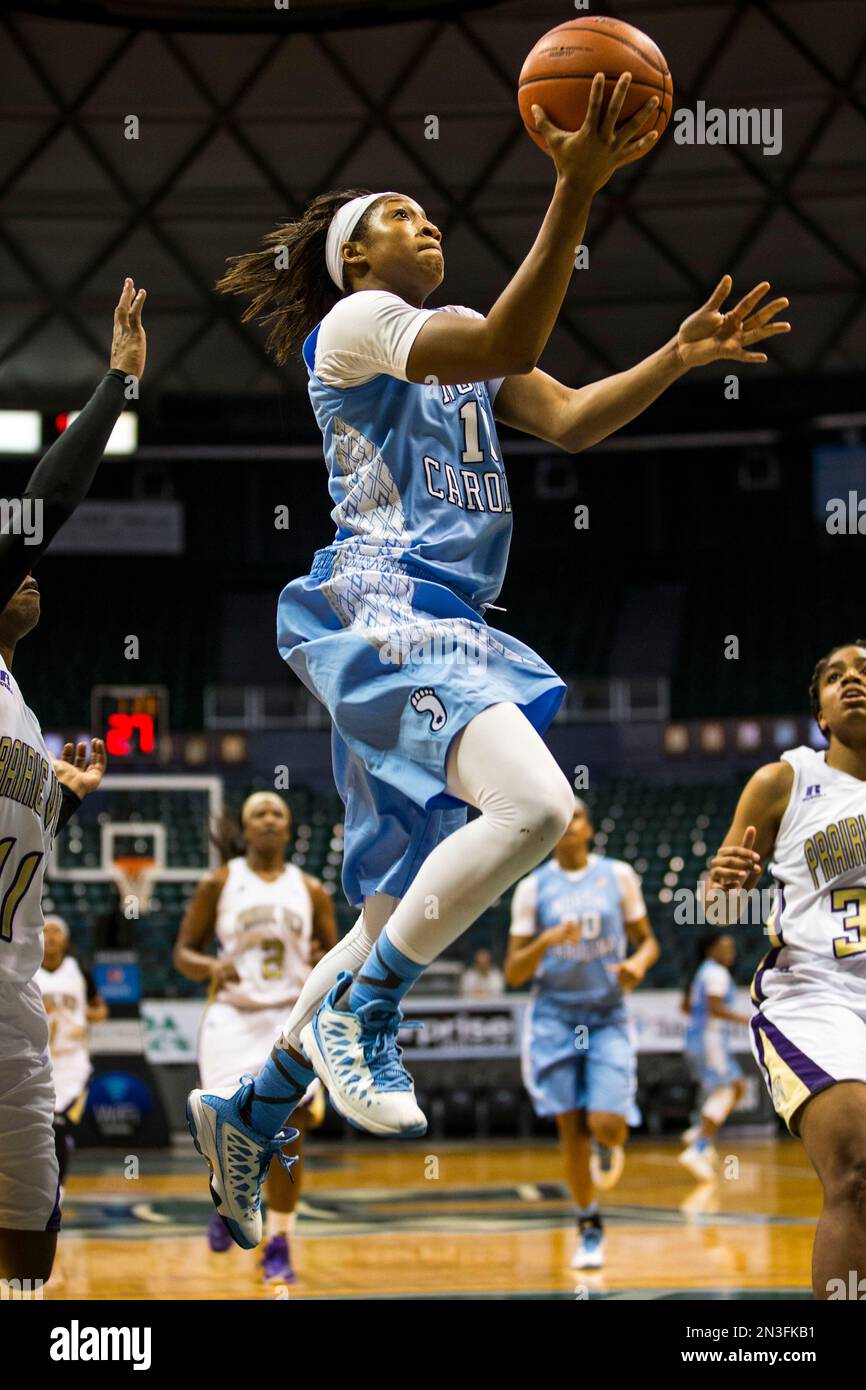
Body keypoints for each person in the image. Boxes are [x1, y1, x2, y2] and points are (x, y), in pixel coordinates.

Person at [187, 72, 790, 1250]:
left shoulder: (454, 358)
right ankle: (369, 1018)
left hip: (442, 619)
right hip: (380, 601)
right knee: (536, 804)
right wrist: (571, 186)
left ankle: (249, 1106)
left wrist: (671, 356)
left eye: (428, 214)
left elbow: (565, 416)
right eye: (398, 218)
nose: (426, 225)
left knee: (381, 913)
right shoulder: (357, 326)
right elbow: (515, 328)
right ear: (357, 264)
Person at [0, 279, 145, 1284]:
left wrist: (63, 795)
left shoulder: (22, 711)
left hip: (13, 1007)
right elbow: (38, 502)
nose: (31, 575)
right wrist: (117, 387)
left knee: (28, 1234)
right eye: (15, 567)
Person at [705, 641, 866, 1299]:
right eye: (836, 676)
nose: (853, 681)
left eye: (865, 673)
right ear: (821, 713)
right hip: (817, 992)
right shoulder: (787, 780)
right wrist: (725, 880)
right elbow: (716, 899)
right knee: (855, 1166)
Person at [174, 792, 336, 1281]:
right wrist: (211, 965)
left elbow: (339, 956)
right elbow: (183, 953)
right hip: (232, 1017)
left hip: (290, 1019)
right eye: (258, 814)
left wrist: (319, 956)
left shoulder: (311, 890)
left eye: (277, 814)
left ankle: (280, 1243)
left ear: (289, 829)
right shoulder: (219, 883)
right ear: (245, 829)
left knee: (291, 1130)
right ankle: (227, 1191)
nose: (268, 820)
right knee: (222, 1125)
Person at [505, 799, 658, 1269]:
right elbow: (513, 973)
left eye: (578, 817)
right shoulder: (532, 889)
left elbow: (648, 942)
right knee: (569, 1127)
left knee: (606, 1124)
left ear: (590, 827)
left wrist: (637, 964)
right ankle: (588, 1223)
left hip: (606, 1013)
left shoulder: (618, 876)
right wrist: (546, 941)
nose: (570, 826)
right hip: (555, 1017)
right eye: (562, 818)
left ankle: (607, 1144)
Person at [35, 917, 108, 1199]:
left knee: (59, 1125)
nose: (51, 936)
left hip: (72, 1060)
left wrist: (80, 1017)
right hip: (37, 1060)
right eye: (45, 931)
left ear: (65, 939)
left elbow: (100, 1011)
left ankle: (58, 1188)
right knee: (38, 1128)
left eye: (56, 931)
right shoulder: (26, 971)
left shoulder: (79, 972)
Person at [678, 931, 749, 1182]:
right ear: (711, 950)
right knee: (730, 1089)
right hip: (711, 1041)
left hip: (699, 1040)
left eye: (732, 947)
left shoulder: (702, 971)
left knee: (730, 1089)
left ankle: (700, 1135)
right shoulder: (716, 973)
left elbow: (685, 1006)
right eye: (725, 947)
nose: (730, 952)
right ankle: (697, 1146)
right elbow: (716, 1009)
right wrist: (749, 1020)